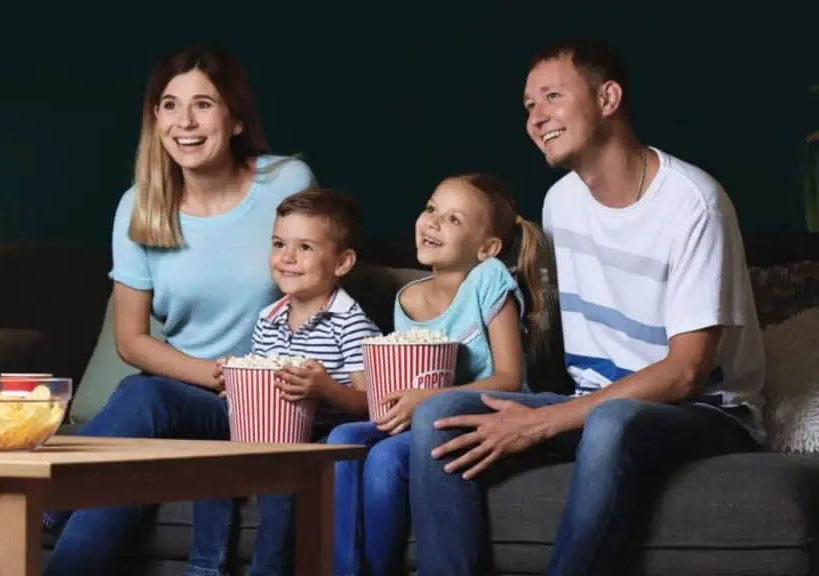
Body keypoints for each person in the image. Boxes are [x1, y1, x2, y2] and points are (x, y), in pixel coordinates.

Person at [0, 44, 315, 576]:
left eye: (203, 105)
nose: (184, 122)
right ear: (155, 118)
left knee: (137, 414)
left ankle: (11, 529)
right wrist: (219, 376)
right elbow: (132, 340)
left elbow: (318, 288)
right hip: (188, 401)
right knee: (136, 426)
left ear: (235, 119)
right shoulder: (139, 206)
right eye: (169, 105)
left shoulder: (287, 183)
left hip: (269, 407)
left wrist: (259, 380)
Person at [408, 36, 766, 576]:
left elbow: (687, 373)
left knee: (612, 421)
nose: (535, 118)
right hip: (595, 403)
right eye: (529, 106)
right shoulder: (561, 203)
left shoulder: (693, 204)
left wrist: (545, 421)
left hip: (706, 413)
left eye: (551, 97)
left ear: (608, 98)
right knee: (439, 415)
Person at [327, 173, 548, 575]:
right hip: (424, 417)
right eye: (431, 209)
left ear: (488, 249)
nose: (432, 222)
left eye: (453, 219)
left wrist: (424, 400)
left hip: (485, 413)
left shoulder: (488, 279)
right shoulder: (406, 300)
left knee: (385, 461)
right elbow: (409, 381)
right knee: (342, 439)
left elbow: (510, 378)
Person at [210, 187, 382, 575]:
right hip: (267, 433)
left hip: (321, 433)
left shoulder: (351, 324)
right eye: (279, 243)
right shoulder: (268, 318)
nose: (287, 257)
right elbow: (259, 387)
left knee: (284, 474)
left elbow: (371, 402)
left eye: (305, 247)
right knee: (209, 459)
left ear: (342, 262)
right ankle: (206, 566)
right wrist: (235, 381)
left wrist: (326, 390)